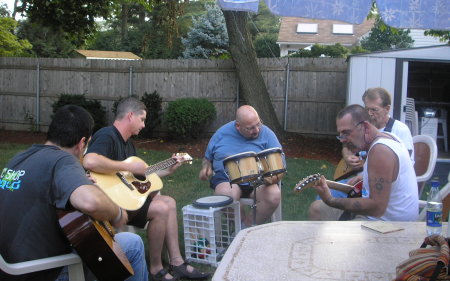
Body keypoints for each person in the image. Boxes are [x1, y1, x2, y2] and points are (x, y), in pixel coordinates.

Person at [0, 105, 148, 281]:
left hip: (9, 268)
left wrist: (80, 182)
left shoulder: (18, 158)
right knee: (134, 244)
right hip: (43, 272)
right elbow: (90, 202)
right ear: (82, 143)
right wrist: (117, 213)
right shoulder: (64, 160)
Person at [83, 97, 209, 281]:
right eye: (142, 119)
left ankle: (177, 262)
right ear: (130, 116)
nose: (143, 125)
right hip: (108, 201)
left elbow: (140, 179)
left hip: (124, 198)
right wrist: (127, 167)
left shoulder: (129, 146)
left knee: (169, 202)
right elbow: (90, 161)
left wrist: (168, 169)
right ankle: (156, 268)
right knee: (161, 208)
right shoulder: (107, 135)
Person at [308, 104, 418, 222]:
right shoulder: (389, 137)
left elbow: (377, 208)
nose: (343, 139)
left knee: (325, 223)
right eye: (340, 135)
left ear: (365, 126)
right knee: (316, 209)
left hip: (389, 227)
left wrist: (330, 200)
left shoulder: (380, 151)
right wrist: (364, 178)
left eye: (346, 132)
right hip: (386, 219)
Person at [199, 105, 284, 227]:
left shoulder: (267, 133)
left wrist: (274, 176)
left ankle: (245, 229)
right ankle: (239, 227)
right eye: (250, 128)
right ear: (238, 126)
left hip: (258, 180)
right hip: (227, 178)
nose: (257, 130)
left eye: (258, 124)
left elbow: (280, 159)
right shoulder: (221, 133)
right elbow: (207, 158)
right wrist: (205, 167)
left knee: (273, 195)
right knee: (225, 196)